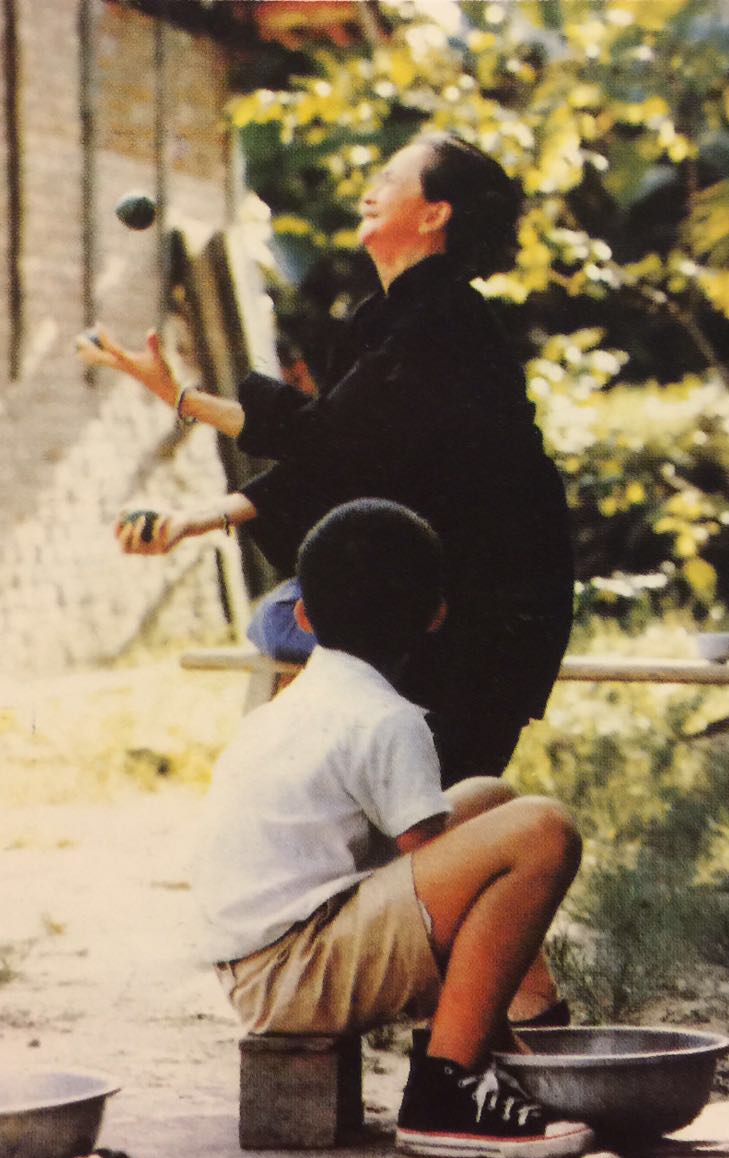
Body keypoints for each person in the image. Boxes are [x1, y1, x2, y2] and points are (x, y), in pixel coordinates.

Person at [77, 132, 574, 791]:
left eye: (391, 180)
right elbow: (337, 460)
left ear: (435, 214)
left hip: (481, 617)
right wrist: (191, 512)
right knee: (285, 627)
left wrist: (184, 399)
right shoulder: (390, 318)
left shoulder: (445, 323)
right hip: (433, 604)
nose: (370, 192)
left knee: (418, 814)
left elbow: (327, 440)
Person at [194, 498, 591, 1158]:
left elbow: (429, 864)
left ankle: (528, 1031)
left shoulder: (294, 705)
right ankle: (448, 1087)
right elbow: (446, 891)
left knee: (490, 798)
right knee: (543, 832)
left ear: (302, 617)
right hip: (297, 976)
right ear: (436, 616)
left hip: (258, 968)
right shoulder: (387, 720)